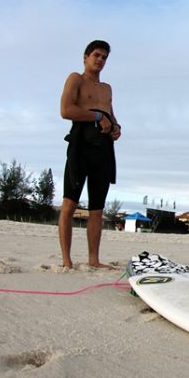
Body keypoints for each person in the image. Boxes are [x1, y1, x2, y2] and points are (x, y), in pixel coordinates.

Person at [58, 40, 122, 269]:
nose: (100, 60)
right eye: (96, 55)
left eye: (104, 57)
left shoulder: (107, 89)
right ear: (85, 57)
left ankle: (93, 260)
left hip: (103, 148)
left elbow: (111, 117)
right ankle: (67, 260)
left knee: (97, 207)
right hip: (81, 143)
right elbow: (66, 110)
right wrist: (97, 117)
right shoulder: (76, 78)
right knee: (69, 203)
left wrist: (116, 128)